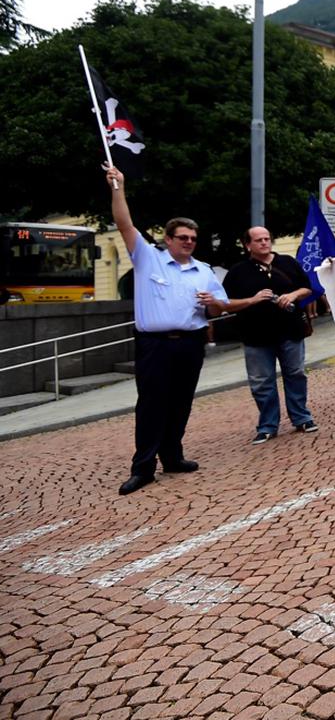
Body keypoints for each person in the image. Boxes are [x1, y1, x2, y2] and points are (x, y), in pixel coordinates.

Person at [105, 165, 229, 496]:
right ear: (168, 239)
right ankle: (143, 467)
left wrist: (211, 303)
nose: (189, 242)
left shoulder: (204, 271)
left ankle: (172, 456)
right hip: (155, 344)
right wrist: (119, 187)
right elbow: (124, 224)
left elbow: (220, 307)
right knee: (151, 404)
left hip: (191, 342)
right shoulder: (148, 258)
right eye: (183, 237)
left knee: (181, 402)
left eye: (193, 238)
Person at [221, 227, 319, 444]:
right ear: (248, 245)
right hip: (256, 335)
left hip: (290, 330)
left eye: (267, 239)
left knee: (295, 373)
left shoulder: (287, 262)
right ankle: (268, 425)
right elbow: (226, 304)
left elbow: (307, 288)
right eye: (258, 240)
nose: (264, 243)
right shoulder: (238, 271)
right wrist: (252, 300)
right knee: (262, 382)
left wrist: (292, 295)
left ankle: (301, 417)